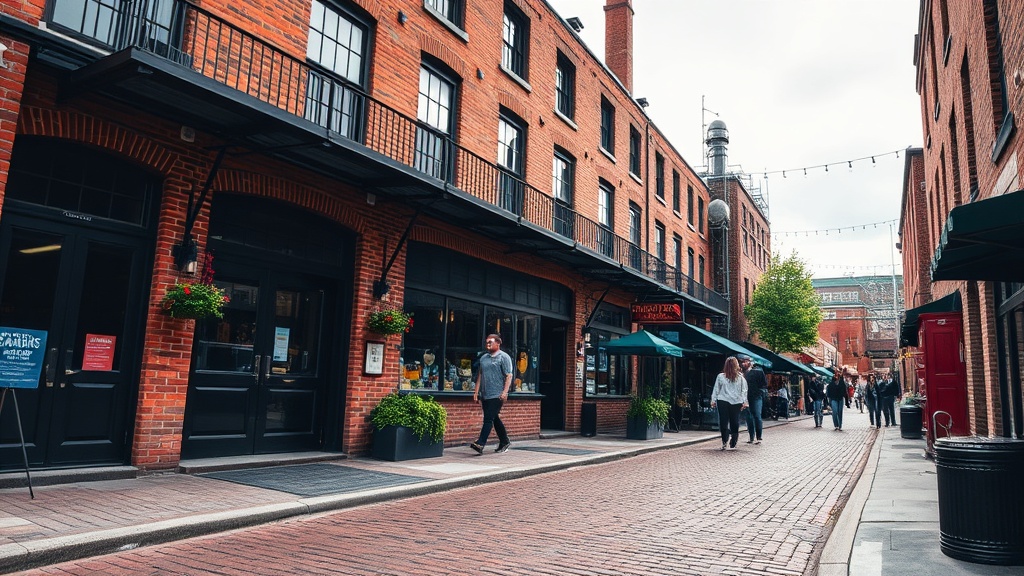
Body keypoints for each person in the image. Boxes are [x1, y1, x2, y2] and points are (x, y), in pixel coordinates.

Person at [469, 334, 512, 455]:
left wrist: (504, 392)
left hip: (497, 394)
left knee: (488, 419)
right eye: (487, 342)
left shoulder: (504, 357)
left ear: (498, 343)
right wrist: (476, 392)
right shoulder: (483, 358)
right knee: (494, 418)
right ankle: (504, 441)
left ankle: (480, 443)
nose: (488, 344)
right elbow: (480, 375)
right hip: (485, 394)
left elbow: (509, 376)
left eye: (490, 342)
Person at [711, 356, 748, 450]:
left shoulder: (721, 376)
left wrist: (713, 400)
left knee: (723, 422)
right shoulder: (740, 378)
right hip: (736, 401)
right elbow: (744, 390)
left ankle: (725, 441)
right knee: (734, 422)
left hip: (723, 400)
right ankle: (733, 441)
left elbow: (716, 389)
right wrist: (744, 401)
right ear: (736, 365)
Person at [740, 354, 767, 444]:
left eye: (745, 362)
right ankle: (751, 436)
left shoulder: (758, 371)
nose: (743, 363)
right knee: (748, 417)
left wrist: (760, 393)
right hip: (745, 398)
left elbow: (763, 384)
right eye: (742, 362)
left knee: (756, 415)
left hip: (756, 397)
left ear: (750, 362)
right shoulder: (741, 374)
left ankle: (759, 436)